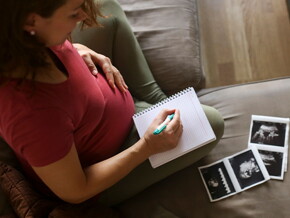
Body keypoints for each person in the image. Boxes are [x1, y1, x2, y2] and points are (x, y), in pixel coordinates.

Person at [0, 0, 224, 208]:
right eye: (74, 13)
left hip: (100, 109)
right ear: (30, 22)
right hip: (104, 169)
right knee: (212, 122)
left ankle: (156, 100)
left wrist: (77, 50)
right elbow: (76, 191)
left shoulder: (28, 38)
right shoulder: (32, 115)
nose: (84, 15)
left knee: (107, 8)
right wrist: (146, 147)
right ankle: (155, 107)